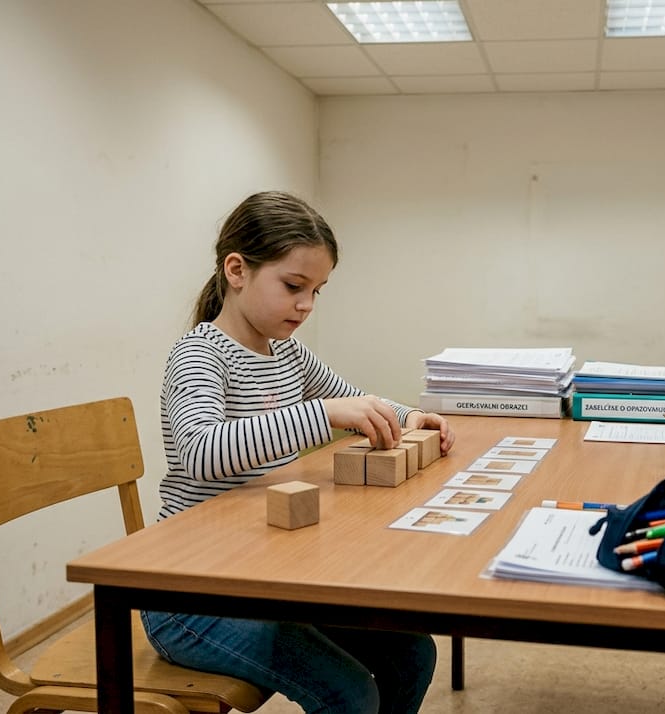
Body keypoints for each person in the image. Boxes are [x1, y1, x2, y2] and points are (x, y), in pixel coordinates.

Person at [143, 190, 456, 714]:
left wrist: (405, 417)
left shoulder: (285, 350)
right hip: (190, 599)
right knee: (351, 695)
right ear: (237, 270)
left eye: (317, 290)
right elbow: (201, 450)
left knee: (411, 652)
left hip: (265, 574)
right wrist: (326, 414)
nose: (307, 305)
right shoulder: (198, 355)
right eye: (293, 286)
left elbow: (348, 394)